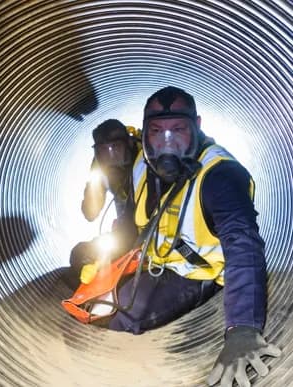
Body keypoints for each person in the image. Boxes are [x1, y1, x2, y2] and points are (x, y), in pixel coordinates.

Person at [65, 87, 281, 386]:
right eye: (156, 131)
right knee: (84, 269)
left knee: (120, 316)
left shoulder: (220, 176)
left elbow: (243, 246)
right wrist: (108, 264)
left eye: (178, 129)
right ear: (144, 133)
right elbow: (127, 223)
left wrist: (242, 329)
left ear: (197, 127)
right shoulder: (141, 163)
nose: (167, 142)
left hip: (193, 274)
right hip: (153, 257)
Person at [68, 119, 140, 288]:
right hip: (125, 231)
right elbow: (90, 213)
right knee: (80, 254)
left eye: (116, 148)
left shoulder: (146, 157)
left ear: (129, 143)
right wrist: (96, 180)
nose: (111, 157)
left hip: (154, 228)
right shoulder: (100, 169)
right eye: (103, 151)